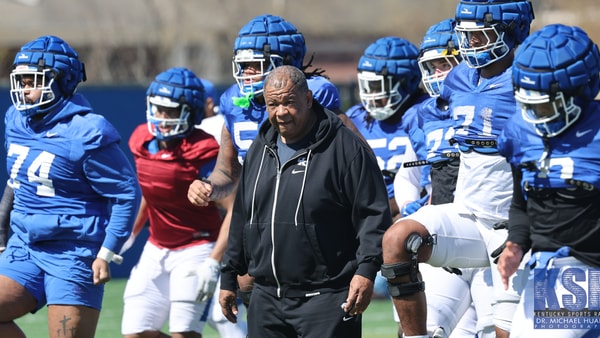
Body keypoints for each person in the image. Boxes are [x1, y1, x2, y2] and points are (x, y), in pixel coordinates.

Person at [380, 1, 535, 337]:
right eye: (467, 35)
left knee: (505, 332)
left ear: (511, 32)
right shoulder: (459, 78)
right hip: (465, 214)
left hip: (510, 224)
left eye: (481, 35)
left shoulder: (528, 76)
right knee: (397, 240)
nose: (471, 44)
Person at [186, 13, 360, 306]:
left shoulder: (313, 96)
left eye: (256, 65)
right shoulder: (234, 104)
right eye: (243, 65)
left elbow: (359, 158)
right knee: (248, 281)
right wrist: (208, 187)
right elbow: (227, 172)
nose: (247, 73)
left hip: (314, 222)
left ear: (284, 64)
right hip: (264, 220)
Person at [218, 65, 392, 337]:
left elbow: (372, 214)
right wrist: (229, 275)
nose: (281, 112)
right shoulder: (260, 148)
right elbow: (242, 215)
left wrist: (367, 271)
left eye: (289, 102)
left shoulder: (345, 147)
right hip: (266, 299)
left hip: (328, 297)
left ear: (308, 99)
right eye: (273, 104)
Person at [0, 35, 140, 337]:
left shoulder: (86, 131)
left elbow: (125, 194)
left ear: (61, 81)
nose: (24, 89)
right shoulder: (15, 119)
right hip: (25, 245)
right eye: (20, 80)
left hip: (73, 250)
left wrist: (107, 252)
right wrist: (3, 229)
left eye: (32, 81)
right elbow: (17, 180)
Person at [121, 67, 245, 338]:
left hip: (197, 248)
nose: (162, 118)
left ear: (191, 112)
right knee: (135, 332)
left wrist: (214, 261)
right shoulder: (141, 139)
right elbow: (152, 192)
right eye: (158, 109)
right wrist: (133, 231)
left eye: (171, 111)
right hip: (156, 247)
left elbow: (235, 209)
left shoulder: (205, 149)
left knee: (184, 333)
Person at [497, 23, 600, 338]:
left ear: (580, 89)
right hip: (550, 267)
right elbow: (521, 200)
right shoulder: (519, 131)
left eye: (543, 105)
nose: (534, 116)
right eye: (528, 104)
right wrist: (516, 242)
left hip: (584, 264)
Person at [345, 36, 429, 222]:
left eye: (378, 86)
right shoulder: (355, 118)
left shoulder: (425, 114)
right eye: (367, 86)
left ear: (409, 81)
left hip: (409, 212)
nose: (371, 96)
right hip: (362, 213)